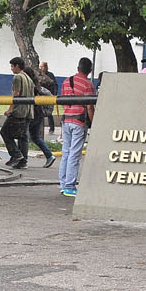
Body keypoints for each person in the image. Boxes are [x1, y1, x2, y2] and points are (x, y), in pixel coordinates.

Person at [58, 58, 96, 197]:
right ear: (90, 70)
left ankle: (63, 184)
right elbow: (90, 107)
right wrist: (93, 123)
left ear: (78, 67)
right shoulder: (88, 84)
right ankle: (70, 186)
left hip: (66, 119)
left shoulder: (66, 81)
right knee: (75, 153)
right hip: (79, 121)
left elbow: (62, 100)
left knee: (66, 153)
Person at [2, 57, 36, 168]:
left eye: (12, 66)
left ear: (17, 66)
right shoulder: (28, 78)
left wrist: (10, 109)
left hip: (19, 112)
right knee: (23, 137)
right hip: (28, 112)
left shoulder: (17, 77)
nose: (11, 69)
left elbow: (16, 94)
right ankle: (23, 162)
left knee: (5, 132)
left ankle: (15, 154)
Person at [29, 72, 57, 167]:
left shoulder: (32, 88)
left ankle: (21, 158)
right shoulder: (39, 87)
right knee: (35, 137)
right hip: (40, 114)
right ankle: (49, 155)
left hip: (33, 114)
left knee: (23, 136)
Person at [38, 61, 59, 135]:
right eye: (40, 66)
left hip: (49, 96)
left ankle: (51, 128)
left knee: (49, 113)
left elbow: (55, 85)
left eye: (42, 66)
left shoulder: (50, 75)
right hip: (41, 96)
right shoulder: (38, 75)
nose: (41, 68)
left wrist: (54, 94)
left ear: (46, 67)